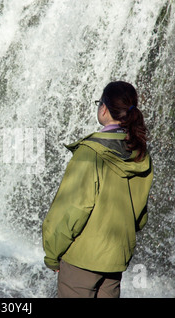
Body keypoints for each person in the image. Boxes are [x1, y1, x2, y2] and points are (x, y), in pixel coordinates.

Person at [42, 81, 153, 298]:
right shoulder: (140, 154)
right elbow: (140, 217)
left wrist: (52, 253)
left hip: (82, 260)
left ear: (103, 108)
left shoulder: (90, 152)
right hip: (115, 261)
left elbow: (73, 209)